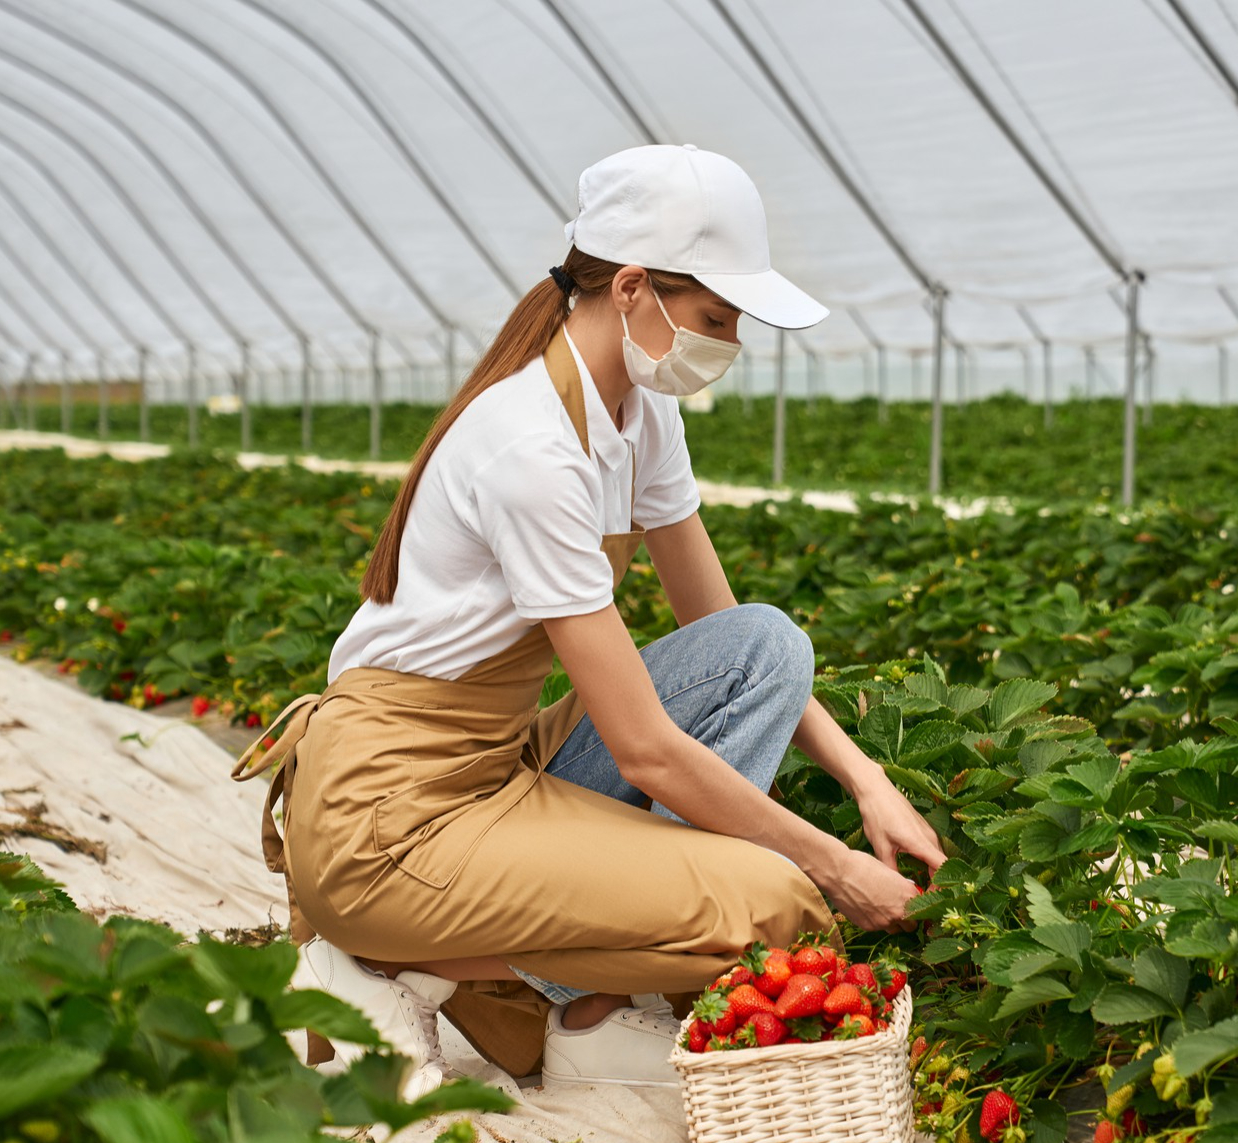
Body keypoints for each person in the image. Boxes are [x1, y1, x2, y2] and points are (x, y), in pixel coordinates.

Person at [232, 145, 942, 1094]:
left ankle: (578, 1000)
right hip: (387, 820)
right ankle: (391, 964)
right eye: (715, 318)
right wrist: (834, 865)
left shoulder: (637, 413)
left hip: (495, 764)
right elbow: (645, 750)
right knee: (777, 905)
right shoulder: (531, 447)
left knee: (764, 646)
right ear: (636, 288)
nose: (727, 343)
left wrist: (868, 783)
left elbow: (716, 621)